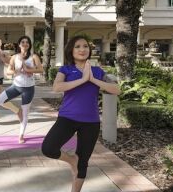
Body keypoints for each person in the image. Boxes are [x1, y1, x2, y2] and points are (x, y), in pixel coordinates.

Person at [41, 35, 121, 192]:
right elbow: (57, 87)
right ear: (71, 50)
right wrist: (83, 79)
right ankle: (72, 160)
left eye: (85, 46)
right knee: (49, 148)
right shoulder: (65, 69)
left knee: (83, 163)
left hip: (90, 122)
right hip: (67, 118)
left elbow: (116, 90)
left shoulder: (97, 71)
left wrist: (93, 79)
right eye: (77, 46)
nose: (82, 49)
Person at [0, 35, 42, 143]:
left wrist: (29, 70)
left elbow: (40, 70)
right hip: (16, 86)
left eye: (27, 42)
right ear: (19, 44)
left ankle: (21, 135)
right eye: (23, 42)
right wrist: (17, 71)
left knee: (25, 114)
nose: (25, 44)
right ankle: (17, 111)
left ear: (29, 45)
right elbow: (8, 72)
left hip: (28, 89)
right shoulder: (14, 57)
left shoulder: (33, 57)